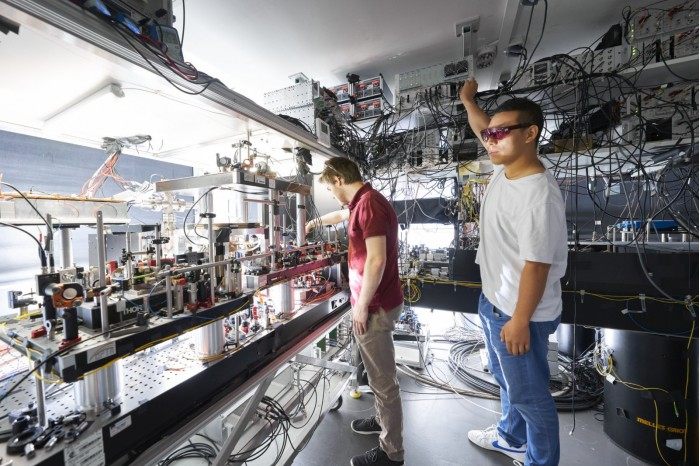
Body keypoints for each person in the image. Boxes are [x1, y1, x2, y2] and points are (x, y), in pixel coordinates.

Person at [459, 78, 568, 466]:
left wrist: (519, 320)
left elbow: (537, 266)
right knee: (508, 381)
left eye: (500, 133)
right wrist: (468, 100)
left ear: (530, 133)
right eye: (489, 134)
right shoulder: (506, 165)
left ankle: (541, 461)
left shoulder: (537, 195)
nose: (490, 140)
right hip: (495, 301)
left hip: (520, 314)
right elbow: (481, 125)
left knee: (529, 396)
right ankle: (510, 437)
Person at [305, 157, 404, 466]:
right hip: (376, 301)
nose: (331, 194)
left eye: (329, 187)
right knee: (377, 374)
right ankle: (381, 420)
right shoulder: (363, 202)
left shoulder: (369, 204)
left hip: (374, 306)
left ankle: (392, 453)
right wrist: (313, 224)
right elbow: (340, 215)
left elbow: (376, 259)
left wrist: (361, 306)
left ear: (337, 179)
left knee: (383, 381)